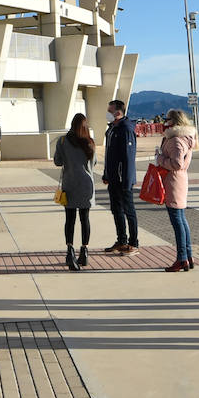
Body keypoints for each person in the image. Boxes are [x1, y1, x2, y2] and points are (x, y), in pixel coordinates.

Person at [53, 113, 97, 271]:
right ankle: (84, 251)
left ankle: (70, 251)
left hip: (70, 184)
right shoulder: (90, 142)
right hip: (87, 185)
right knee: (85, 219)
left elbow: (58, 161)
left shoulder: (63, 141)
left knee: (69, 219)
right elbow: (95, 163)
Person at [156, 109, 197, 272]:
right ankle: (188, 256)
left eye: (167, 119)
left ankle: (181, 258)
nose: (164, 121)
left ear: (173, 121)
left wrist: (159, 158)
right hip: (178, 180)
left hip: (173, 181)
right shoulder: (186, 138)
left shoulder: (176, 140)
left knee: (177, 220)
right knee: (181, 219)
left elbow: (177, 164)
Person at [101, 99, 139, 256]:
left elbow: (128, 158)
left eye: (109, 111)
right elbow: (109, 155)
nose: (107, 113)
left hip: (123, 180)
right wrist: (106, 174)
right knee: (116, 210)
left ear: (118, 112)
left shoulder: (126, 129)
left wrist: (127, 180)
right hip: (113, 178)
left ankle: (133, 243)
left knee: (128, 210)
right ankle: (121, 240)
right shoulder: (112, 129)